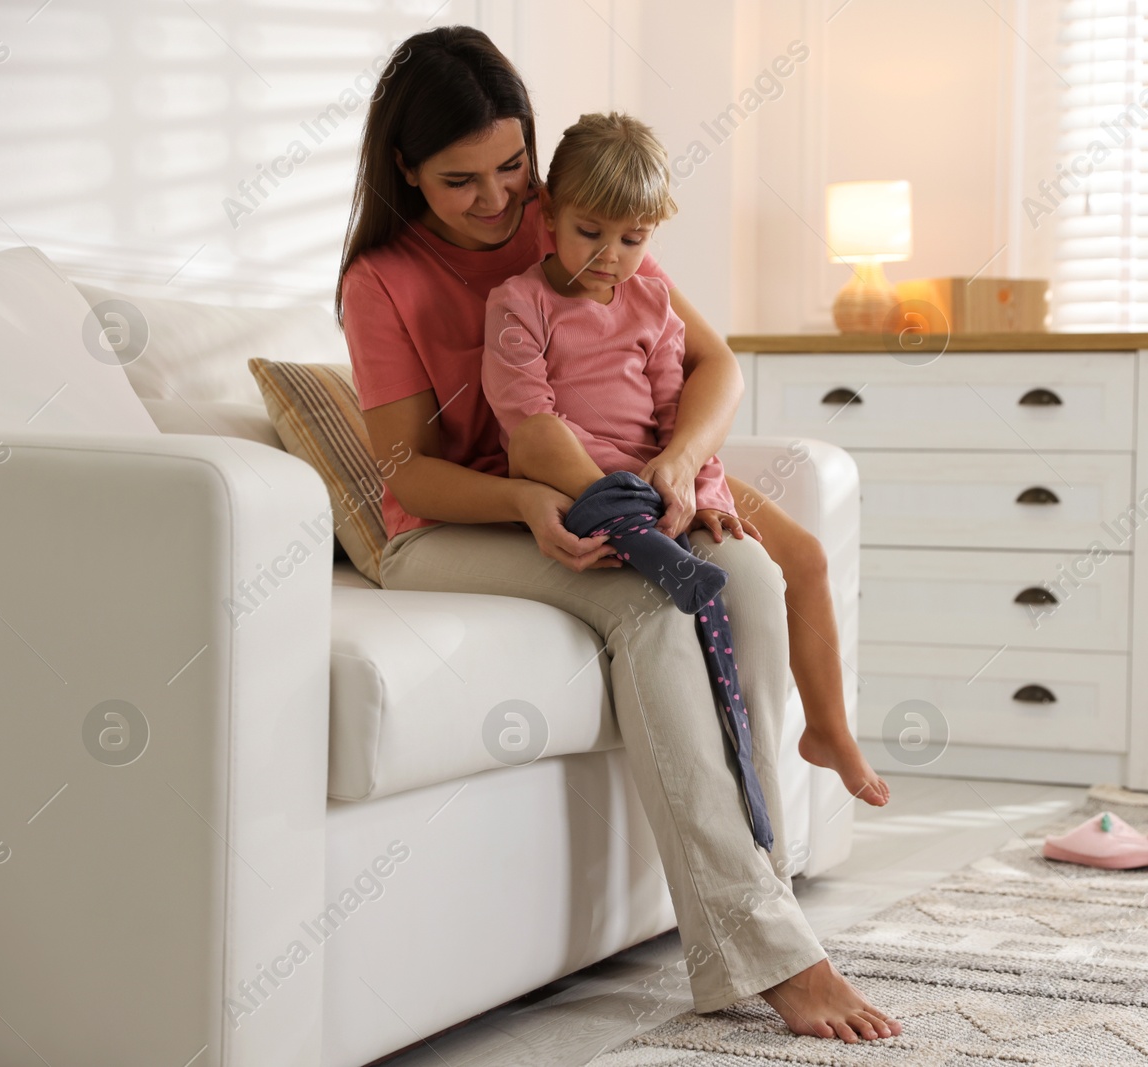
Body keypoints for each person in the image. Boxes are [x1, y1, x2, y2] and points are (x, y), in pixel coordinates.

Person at [336, 26, 899, 1043]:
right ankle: (769, 953)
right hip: (451, 525)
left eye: (513, 165)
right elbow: (405, 472)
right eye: (461, 180)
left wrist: (681, 465)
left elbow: (711, 363)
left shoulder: (572, 221)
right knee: (648, 603)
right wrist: (525, 504)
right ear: (405, 171)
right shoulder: (381, 280)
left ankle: (765, 895)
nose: (500, 198)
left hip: (617, 490)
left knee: (752, 575)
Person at [480, 111, 886, 829]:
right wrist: (635, 496)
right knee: (692, 558)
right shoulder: (521, 303)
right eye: (591, 232)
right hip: (598, 492)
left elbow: (679, 411)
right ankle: (670, 559)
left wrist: (699, 487)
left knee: (807, 557)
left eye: (633, 239)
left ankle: (829, 729)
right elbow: (528, 428)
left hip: (668, 478)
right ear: (548, 216)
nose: (610, 256)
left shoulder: (651, 301)